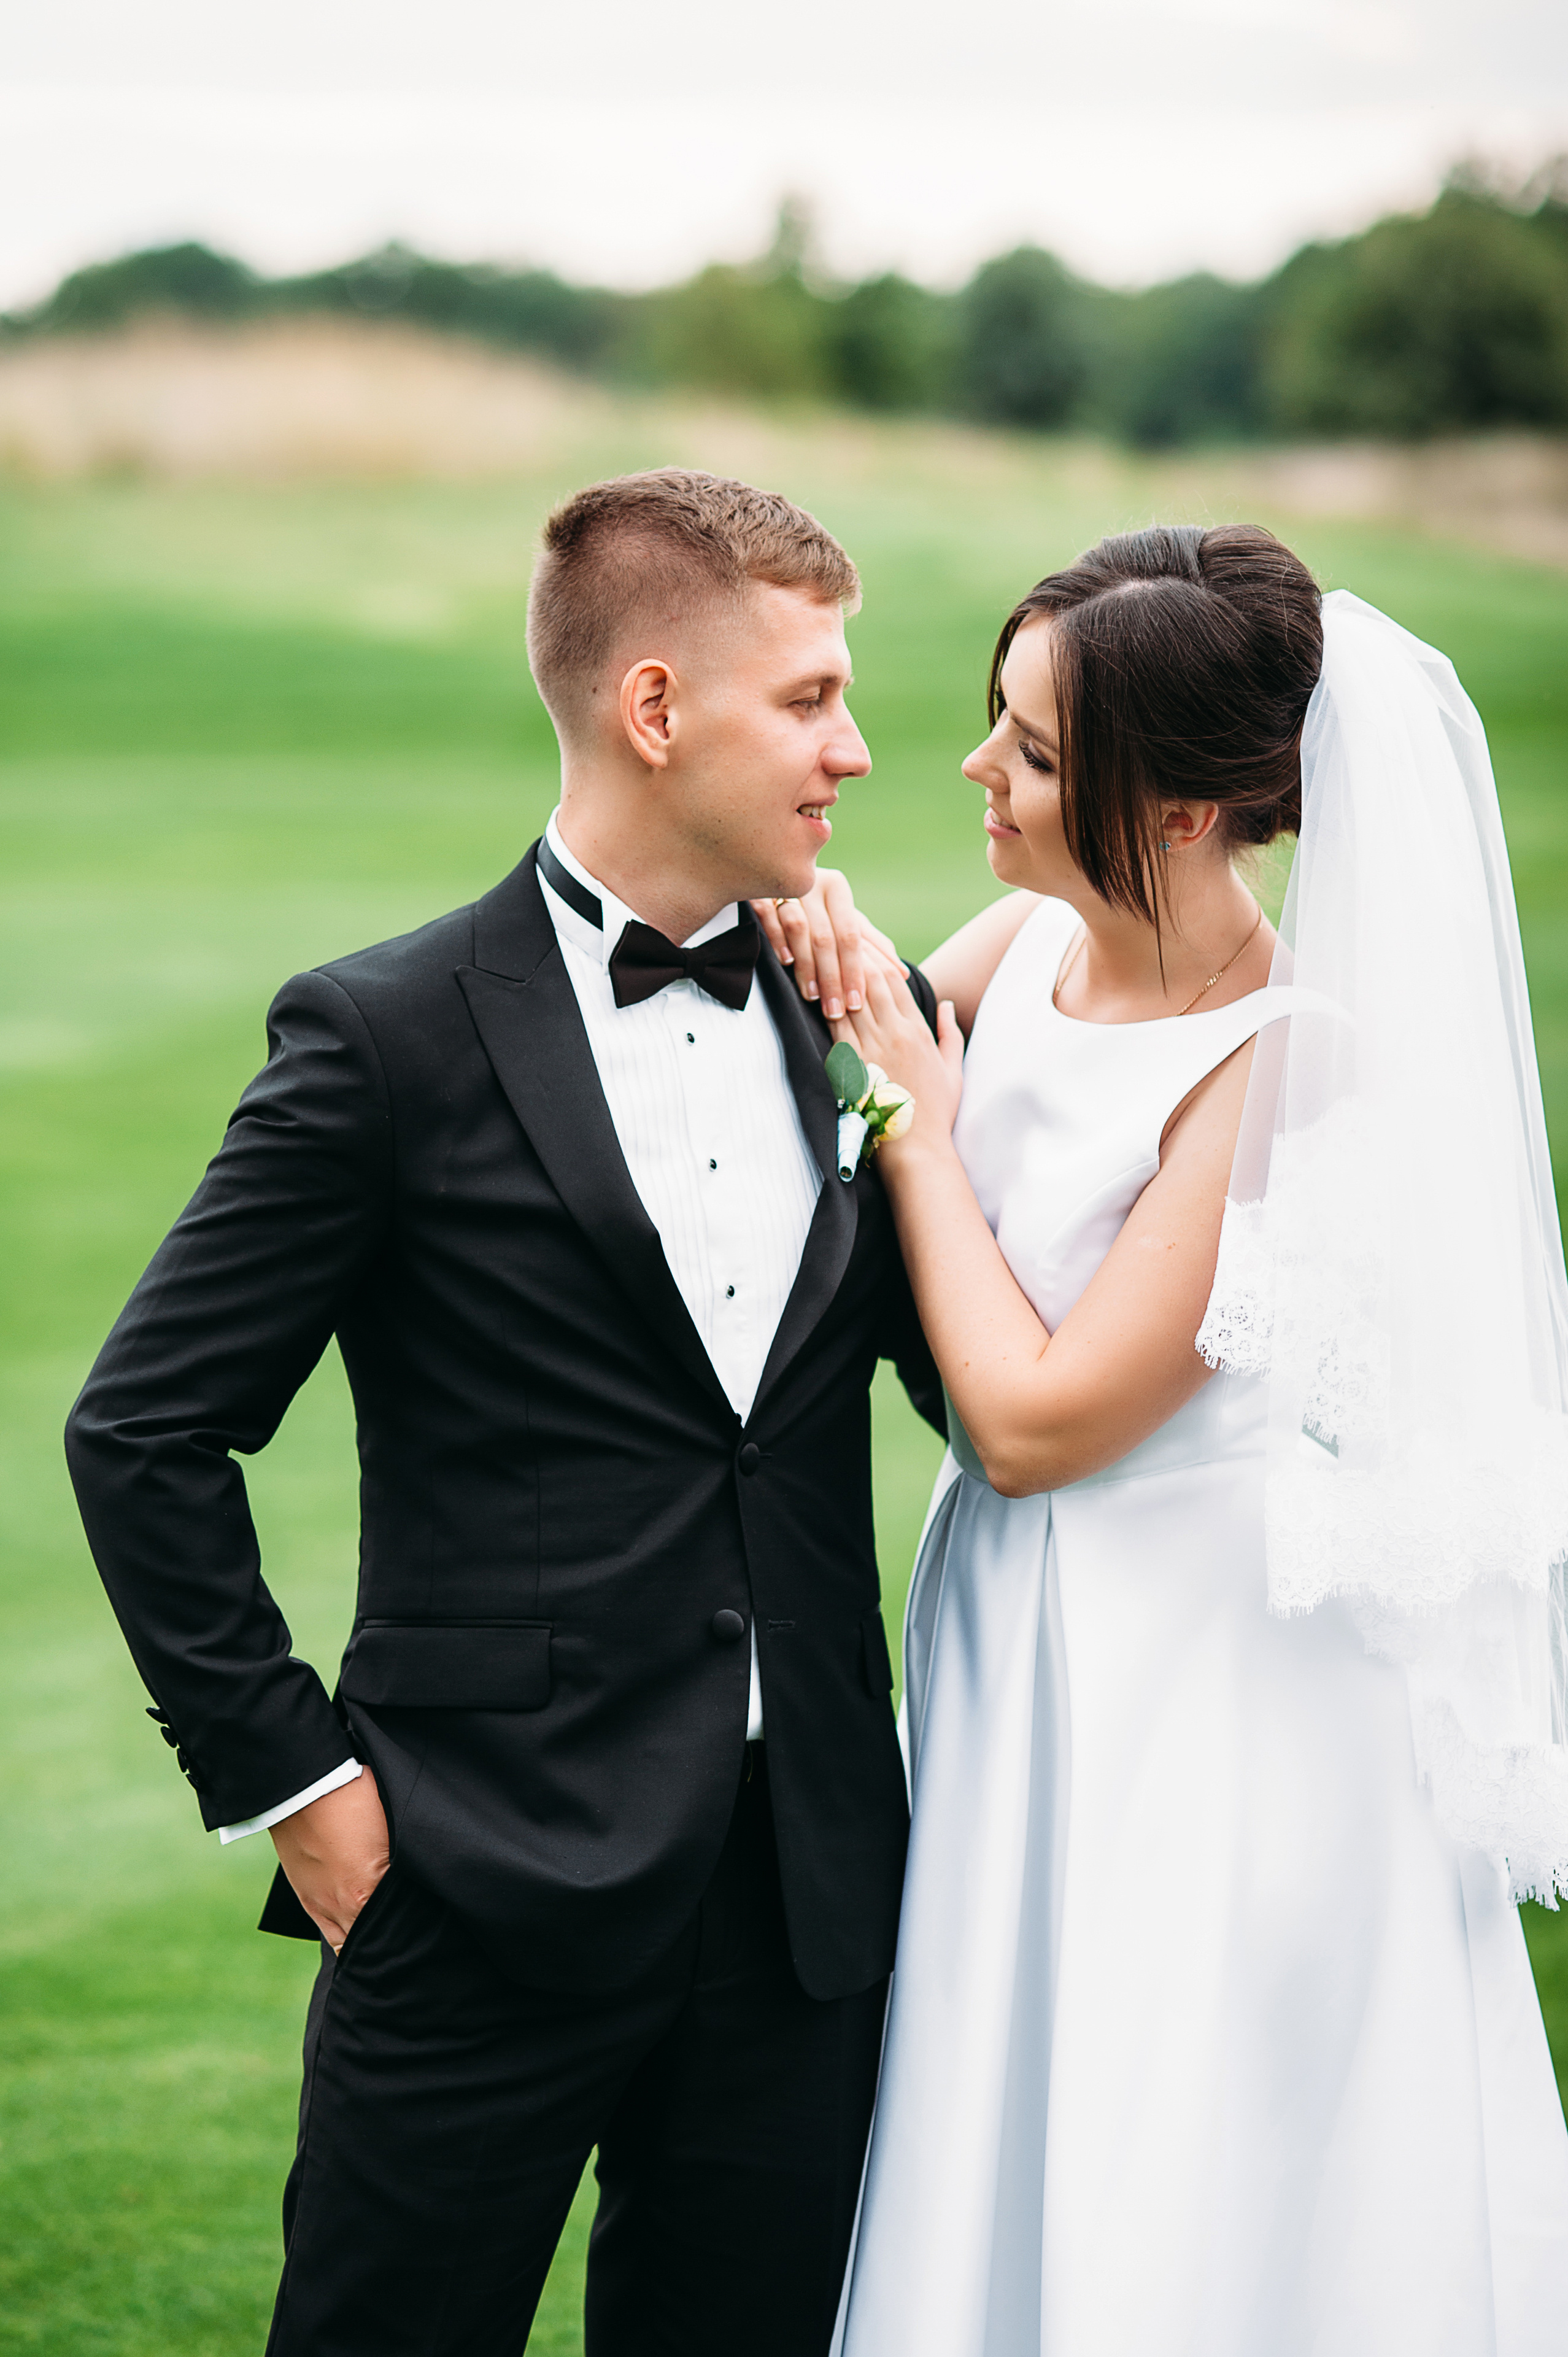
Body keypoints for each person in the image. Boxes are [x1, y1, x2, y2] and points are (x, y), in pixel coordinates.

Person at [64, 469, 945, 2356]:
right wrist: (302, 1796)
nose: (854, 751)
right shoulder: (385, 1037)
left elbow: (974, 1400)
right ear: (653, 708)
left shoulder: (861, 1020)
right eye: (807, 699)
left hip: (801, 1909)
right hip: (472, 1878)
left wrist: (929, 1112)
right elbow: (144, 1427)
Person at [762, 525, 1568, 2355]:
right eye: (998, 723)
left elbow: (1038, 1419)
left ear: (1188, 809)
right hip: (1011, 1634)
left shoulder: (1289, 1057)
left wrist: (903, 1112)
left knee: (1170, 2114)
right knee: (1007, 2071)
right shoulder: (1031, 936)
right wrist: (827, 980)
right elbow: (872, 1019)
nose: (976, 767)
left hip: (1191, 1672)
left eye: (1035, 754)